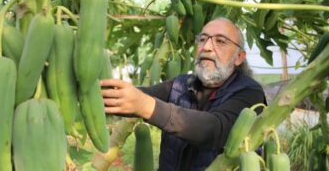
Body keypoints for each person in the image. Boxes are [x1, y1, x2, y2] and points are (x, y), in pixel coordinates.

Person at [100, 17, 266, 171]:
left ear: (239, 57)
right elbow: (141, 95)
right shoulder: (181, 84)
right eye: (202, 39)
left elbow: (215, 128)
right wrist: (93, 92)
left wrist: (146, 106)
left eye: (220, 41)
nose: (206, 47)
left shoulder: (250, 93)